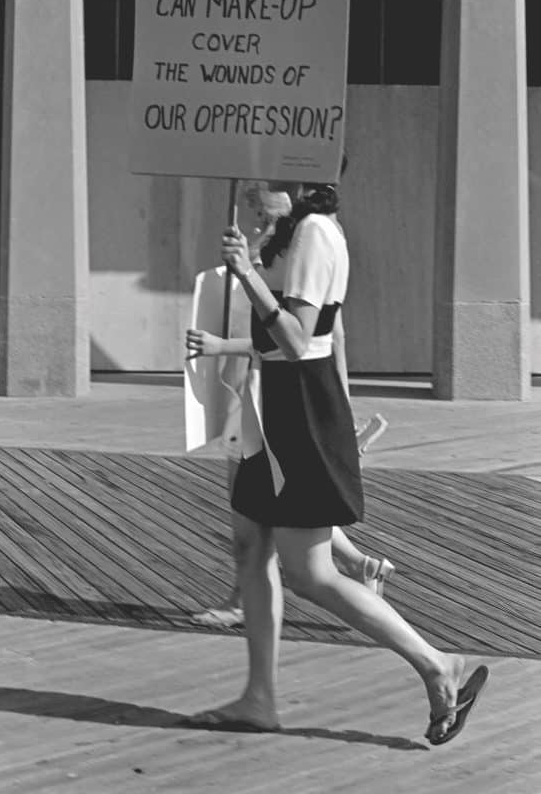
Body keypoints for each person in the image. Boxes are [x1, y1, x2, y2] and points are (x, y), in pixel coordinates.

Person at [184, 177, 488, 745]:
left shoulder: (318, 233)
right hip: (270, 408)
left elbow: (300, 341)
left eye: (270, 183)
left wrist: (248, 274)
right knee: (251, 547)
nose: (259, 193)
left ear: (303, 178)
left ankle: (436, 663)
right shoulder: (291, 234)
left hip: (297, 411)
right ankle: (259, 698)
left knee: (309, 571)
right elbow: (300, 340)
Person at [188, 180, 393, 628]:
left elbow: (303, 338)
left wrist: (339, 405)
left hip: (275, 396)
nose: (264, 217)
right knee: (266, 521)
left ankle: (430, 658)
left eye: (270, 208)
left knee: (280, 531)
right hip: (257, 394)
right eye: (257, 209)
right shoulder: (268, 249)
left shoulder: (306, 242)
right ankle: (355, 569)